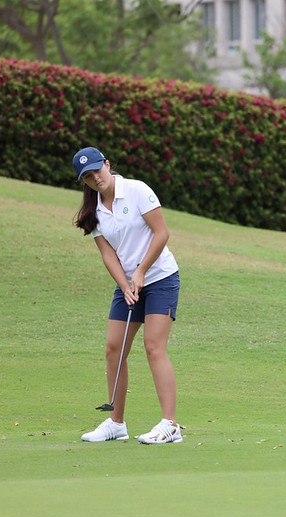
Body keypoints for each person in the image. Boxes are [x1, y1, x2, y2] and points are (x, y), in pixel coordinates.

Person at [72, 146, 183, 444]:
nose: (96, 178)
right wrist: (124, 284)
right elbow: (108, 254)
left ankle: (170, 425)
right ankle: (116, 423)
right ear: (84, 181)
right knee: (113, 348)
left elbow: (162, 233)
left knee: (153, 346)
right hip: (129, 283)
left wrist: (141, 271)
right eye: (88, 176)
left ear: (107, 165)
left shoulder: (137, 191)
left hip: (160, 278)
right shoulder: (92, 211)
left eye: (98, 170)